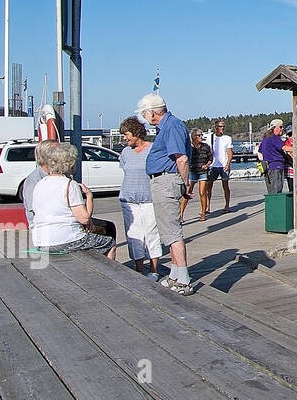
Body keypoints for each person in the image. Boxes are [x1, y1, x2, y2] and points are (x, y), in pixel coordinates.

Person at [138, 93, 195, 295]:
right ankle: (175, 275)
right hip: (163, 180)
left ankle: (183, 280)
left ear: (152, 113)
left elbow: (182, 159)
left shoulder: (171, 127)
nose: (144, 117)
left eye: (144, 113)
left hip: (166, 180)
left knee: (172, 232)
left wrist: (186, 183)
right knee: (168, 232)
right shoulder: (169, 126)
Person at [25, 140, 115, 258]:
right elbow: (84, 219)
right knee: (109, 243)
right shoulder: (68, 184)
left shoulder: (40, 183)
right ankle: (109, 274)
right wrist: (89, 196)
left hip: (40, 239)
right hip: (63, 238)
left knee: (102, 230)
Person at [118, 116, 162, 278]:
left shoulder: (152, 149)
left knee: (151, 233)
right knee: (134, 235)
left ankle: (154, 270)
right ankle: (138, 269)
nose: (124, 138)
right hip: (128, 199)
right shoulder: (125, 152)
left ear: (136, 133)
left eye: (126, 134)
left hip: (149, 199)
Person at [181, 128, 213, 222]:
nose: (201, 137)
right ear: (193, 137)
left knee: (202, 193)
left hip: (202, 172)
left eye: (201, 135)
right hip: (191, 172)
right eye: (199, 135)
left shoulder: (206, 146)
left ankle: (203, 213)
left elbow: (210, 158)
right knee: (187, 193)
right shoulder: (188, 147)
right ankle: (181, 215)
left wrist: (207, 165)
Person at [207, 119, 234, 213]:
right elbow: (207, 151)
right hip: (213, 165)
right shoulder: (210, 138)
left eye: (223, 126)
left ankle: (227, 206)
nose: (222, 128)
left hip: (223, 165)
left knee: (225, 185)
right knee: (209, 186)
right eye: (220, 126)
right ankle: (207, 206)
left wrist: (228, 163)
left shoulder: (227, 138)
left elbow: (230, 152)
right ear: (216, 128)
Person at [258, 119, 290, 193]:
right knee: (277, 191)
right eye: (281, 127)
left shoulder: (265, 138)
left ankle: (272, 204)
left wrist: (263, 162)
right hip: (276, 167)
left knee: (271, 191)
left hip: (267, 167)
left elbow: (259, 152)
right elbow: (285, 148)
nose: (282, 129)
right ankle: (276, 204)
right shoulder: (275, 138)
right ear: (275, 128)